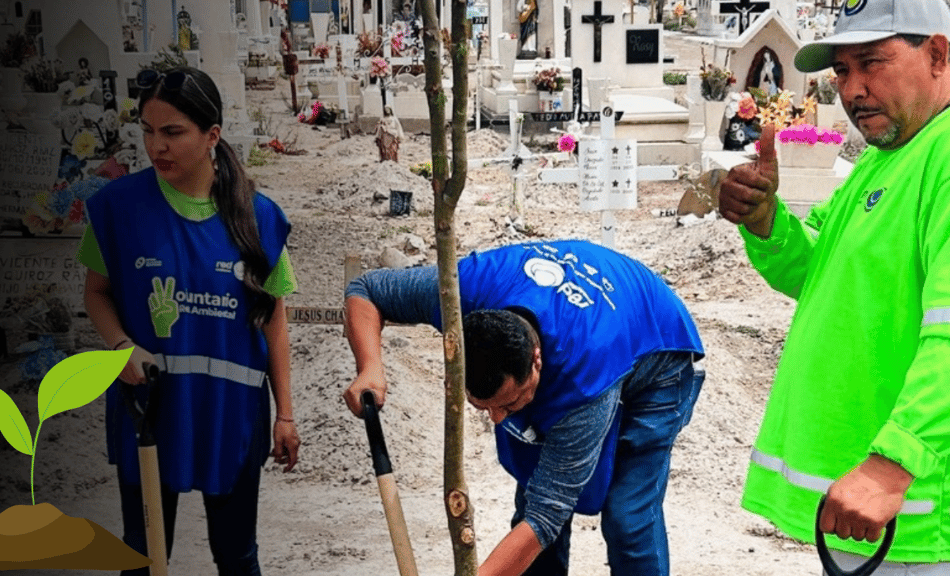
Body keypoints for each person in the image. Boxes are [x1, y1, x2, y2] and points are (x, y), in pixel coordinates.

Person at [717, 0, 950, 572]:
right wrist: (765, 220)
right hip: (869, 511)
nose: (854, 89)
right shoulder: (889, 157)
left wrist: (893, 465)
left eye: (873, 62)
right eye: (844, 71)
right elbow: (818, 270)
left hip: (913, 512)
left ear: (939, 54)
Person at [341, 240, 705, 576]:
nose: (499, 418)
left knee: (628, 518)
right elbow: (367, 290)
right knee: (534, 494)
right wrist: (370, 366)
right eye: (483, 407)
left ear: (536, 359)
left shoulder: (583, 377)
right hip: (590, 327)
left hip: (658, 352)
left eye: (509, 402)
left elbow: (547, 513)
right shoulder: (468, 287)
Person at [78, 66, 301, 575]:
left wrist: (285, 414)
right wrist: (118, 346)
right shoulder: (119, 208)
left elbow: (275, 319)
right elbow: (96, 294)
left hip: (231, 414)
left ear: (212, 136)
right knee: (144, 552)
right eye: (148, 132)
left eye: (173, 132)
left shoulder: (258, 216)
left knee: (237, 556)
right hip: (150, 410)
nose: (157, 146)